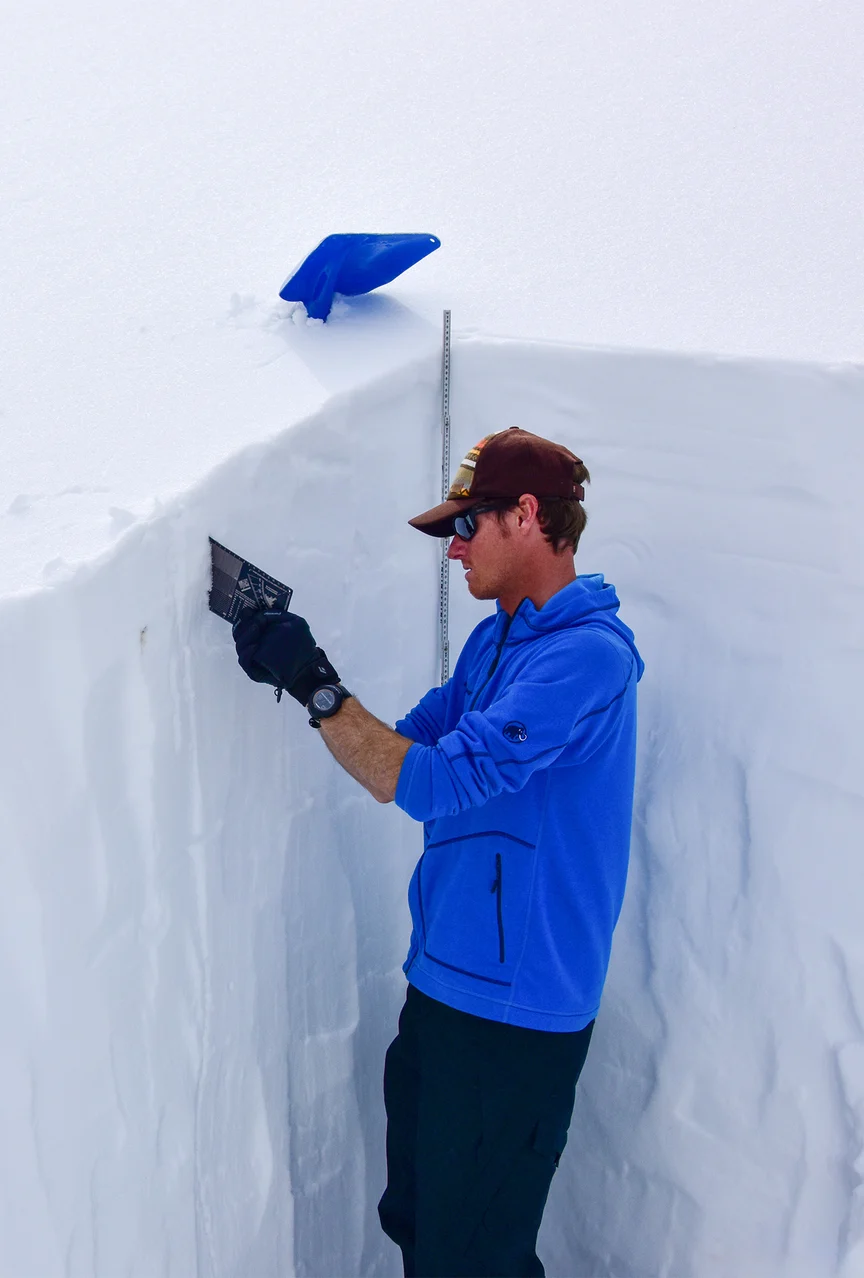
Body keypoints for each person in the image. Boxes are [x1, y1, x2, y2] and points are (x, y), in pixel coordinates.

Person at [232, 426, 644, 1278]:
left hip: (516, 1015)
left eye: (468, 525)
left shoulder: (587, 661)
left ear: (527, 515)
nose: (453, 549)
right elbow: (404, 752)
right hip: (447, 987)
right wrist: (307, 678)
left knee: (475, 1256)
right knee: (421, 1221)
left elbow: (431, 784)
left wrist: (317, 683)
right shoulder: (496, 645)